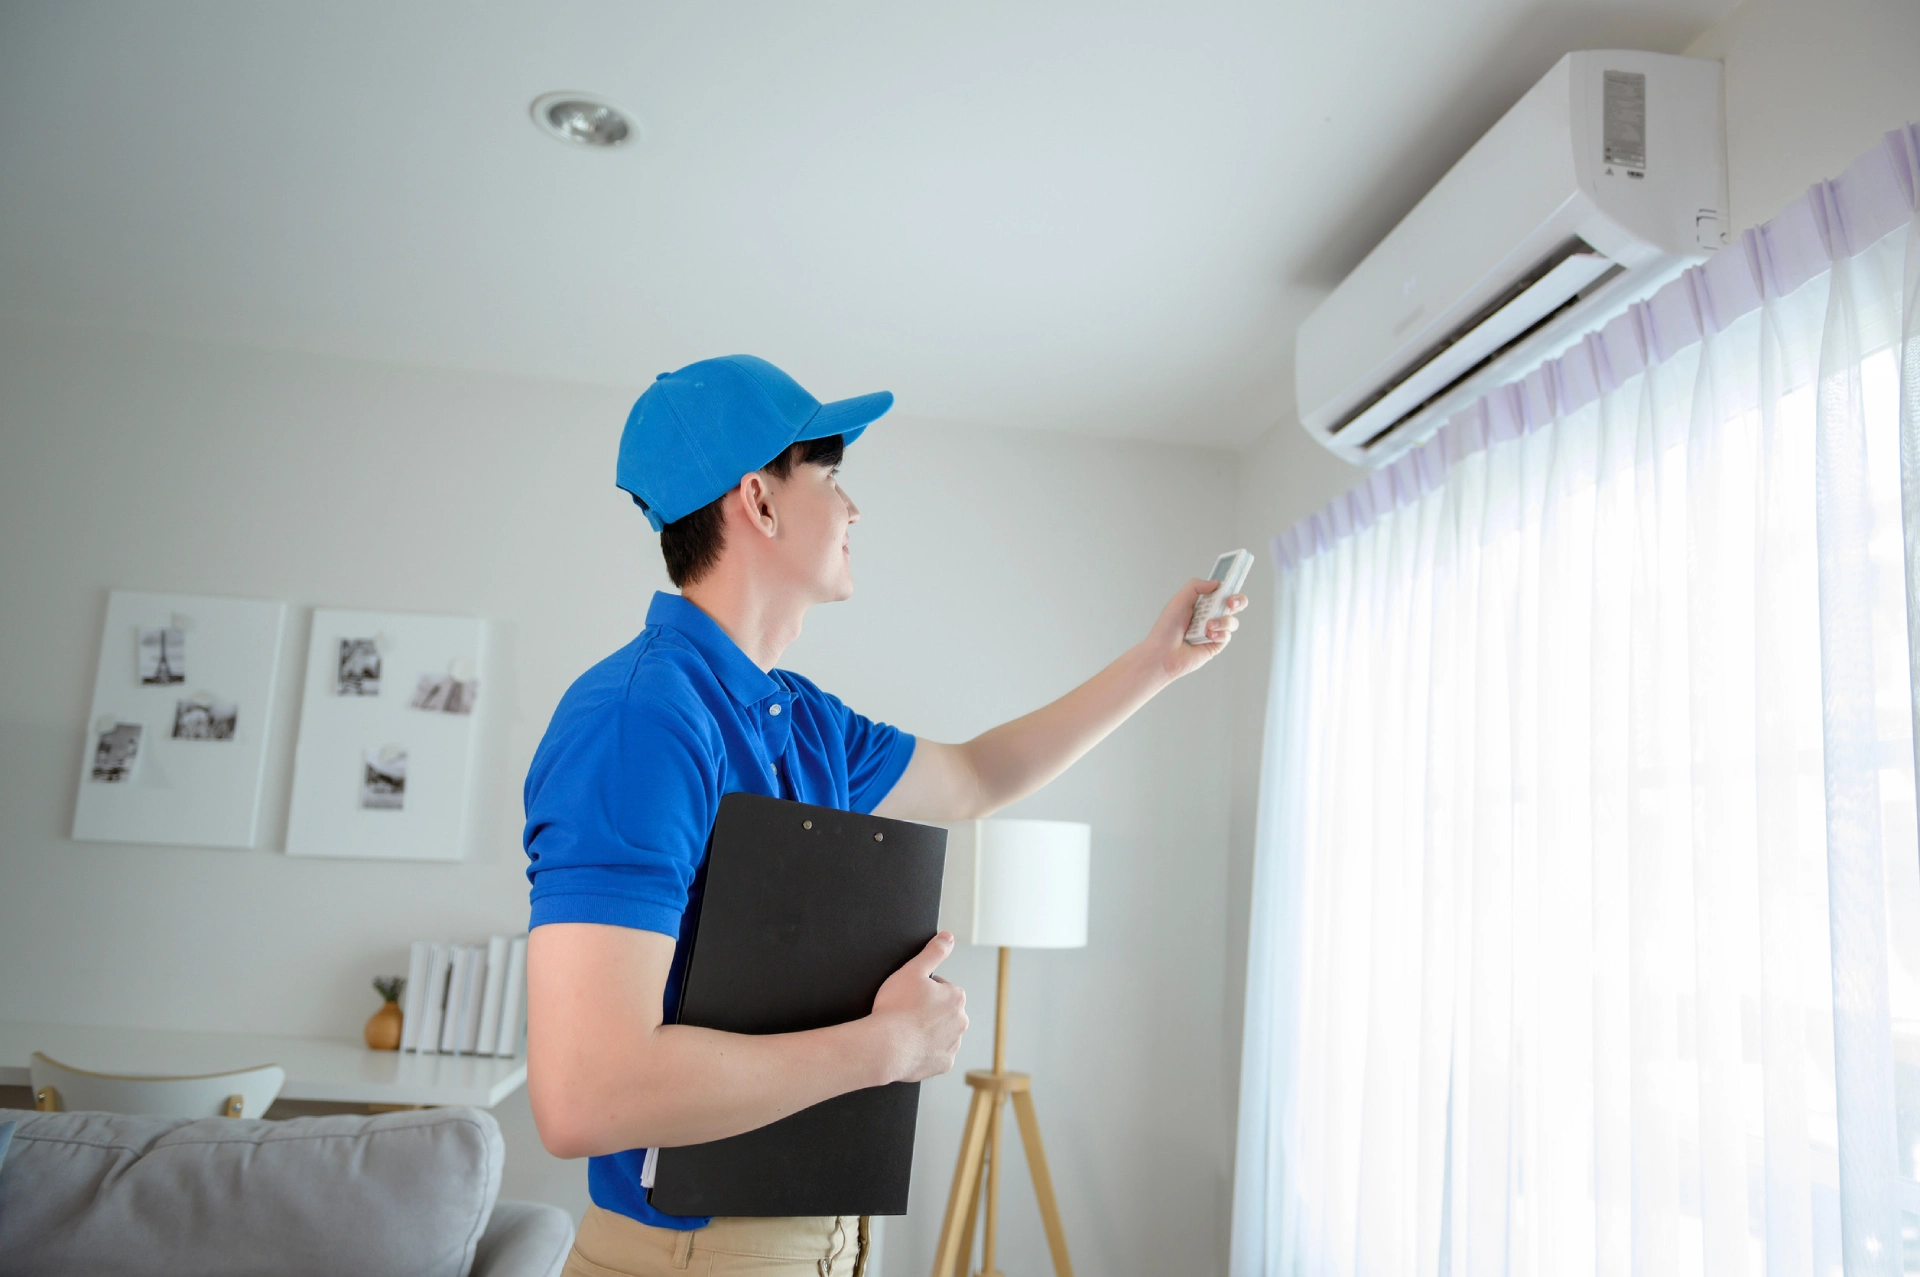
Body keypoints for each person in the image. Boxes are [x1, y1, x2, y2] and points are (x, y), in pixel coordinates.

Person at [522, 355, 1247, 1277]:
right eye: (831, 477)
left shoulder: (801, 719)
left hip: (827, 1244)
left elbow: (977, 776)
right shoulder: (639, 719)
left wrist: (1157, 662)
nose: (854, 508)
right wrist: (886, 1047)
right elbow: (585, 1094)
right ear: (760, 501)